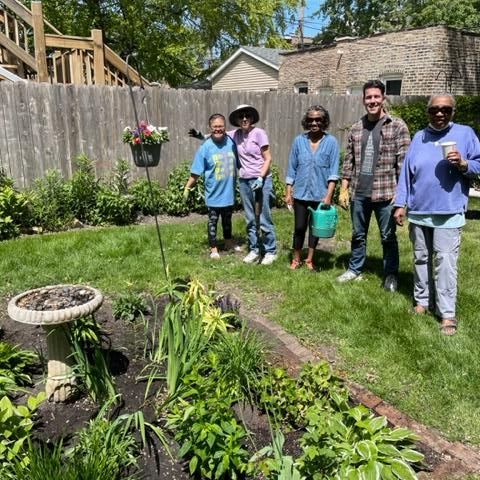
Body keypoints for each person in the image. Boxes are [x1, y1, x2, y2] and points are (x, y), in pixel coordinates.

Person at [393, 94, 480, 335]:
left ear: (454, 111)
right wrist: (401, 204)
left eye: (445, 110)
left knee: (445, 264)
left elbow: (479, 163)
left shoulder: (465, 134)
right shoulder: (419, 137)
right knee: (421, 259)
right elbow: (407, 174)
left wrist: (464, 164)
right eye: (434, 110)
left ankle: (447, 314)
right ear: (428, 111)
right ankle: (422, 301)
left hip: (448, 211)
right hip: (419, 212)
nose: (439, 114)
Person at [337, 79, 411, 291]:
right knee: (358, 235)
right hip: (359, 193)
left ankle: (390, 275)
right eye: (368, 97)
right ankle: (355, 268)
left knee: (388, 237)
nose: (372, 101)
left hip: (386, 193)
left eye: (376, 96)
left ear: (383, 98)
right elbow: (348, 162)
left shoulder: (397, 126)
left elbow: (404, 165)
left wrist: (402, 199)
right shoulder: (356, 128)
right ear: (363, 100)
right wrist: (343, 188)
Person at [190, 104, 277, 265]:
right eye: (241, 116)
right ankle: (254, 249)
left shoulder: (259, 133)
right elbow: (216, 134)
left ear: (252, 118)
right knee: (250, 218)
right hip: (244, 181)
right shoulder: (235, 134)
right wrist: (200, 135)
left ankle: (270, 251)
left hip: (261, 180)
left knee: (264, 216)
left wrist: (260, 177)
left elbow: (268, 158)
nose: (244, 119)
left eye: (247, 116)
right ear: (237, 120)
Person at [285, 105, 340, 270]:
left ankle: (309, 259)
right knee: (299, 227)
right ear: (306, 122)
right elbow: (291, 168)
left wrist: (329, 196)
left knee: (316, 229)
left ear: (324, 121)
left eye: (318, 119)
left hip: (320, 195)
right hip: (301, 194)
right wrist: (288, 191)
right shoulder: (298, 141)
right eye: (310, 120)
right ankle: (296, 258)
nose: (314, 123)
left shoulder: (331, 143)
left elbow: (333, 172)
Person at [183, 113, 238, 259]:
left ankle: (228, 242)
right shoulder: (205, 147)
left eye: (221, 126)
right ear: (210, 127)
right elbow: (196, 171)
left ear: (225, 127)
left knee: (227, 220)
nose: (218, 129)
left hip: (228, 192)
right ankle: (213, 248)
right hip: (213, 193)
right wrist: (188, 187)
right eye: (215, 126)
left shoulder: (232, 142)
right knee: (213, 221)